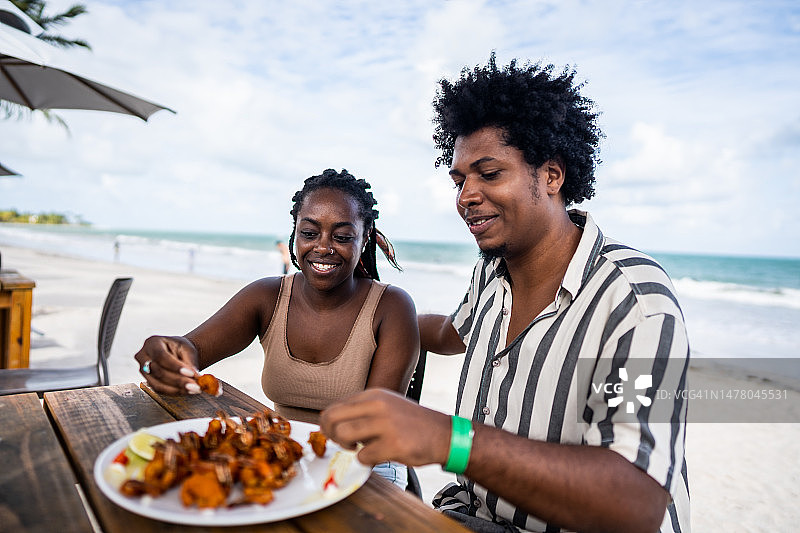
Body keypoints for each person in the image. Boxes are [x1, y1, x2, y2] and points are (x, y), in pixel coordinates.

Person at [320, 55, 690, 533]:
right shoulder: (492, 273)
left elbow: (636, 504)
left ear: (552, 176)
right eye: (459, 180)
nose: (465, 196)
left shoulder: (635, 301)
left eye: (489, 174)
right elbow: (451, 331)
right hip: (471, 514)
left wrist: (446, 439)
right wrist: (367, 307)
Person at [134, 168, 420, 488]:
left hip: (367, 465)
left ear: (365, 238)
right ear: (295, 234)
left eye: (341, 237)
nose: (323, 247)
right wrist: (169, 354)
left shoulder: (392, 307)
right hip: (291, 459)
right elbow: (192, 349)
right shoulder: (267, 296)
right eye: (310, 233)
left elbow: (373, 425)